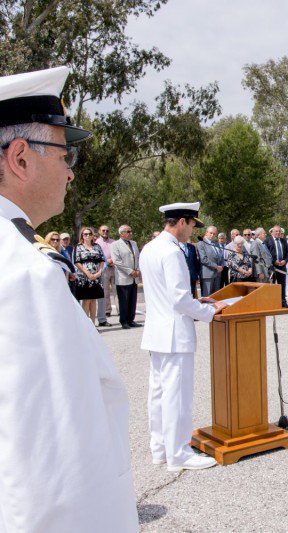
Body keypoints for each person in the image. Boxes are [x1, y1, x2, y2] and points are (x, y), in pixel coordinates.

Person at [0, 66, 137, 529]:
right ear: (20, 158)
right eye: (66, 156)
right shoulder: (23, 273)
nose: (70, 174)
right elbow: (53, 470)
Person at [139, 202, 227, 472]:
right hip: (175, 333)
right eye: (191, 225)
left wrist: (195, 300)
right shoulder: (172, 252)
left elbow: (166, 294)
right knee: (177, 395)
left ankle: (161, 449)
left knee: (159, 394)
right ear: (181, 222)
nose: (192, 232)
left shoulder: (150, 248)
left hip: (157, 332)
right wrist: (209, 310)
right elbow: (178, 300)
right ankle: (179, 454)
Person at [74, 226, 106, 325]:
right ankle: (85, 324)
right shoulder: (78, 247)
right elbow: (77, 262)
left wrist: (99, 272)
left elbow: (101, 260)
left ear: (93, 236)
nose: (88, 236)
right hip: (84, 277)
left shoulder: (97, 246)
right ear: (82, 236)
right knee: (86, 300)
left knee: (93, 300)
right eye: (85, 234)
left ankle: (92, 323)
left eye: (90, 234)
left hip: (96, 277)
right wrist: (87, 273)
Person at [111, 225, 141, 328]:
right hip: (123, 277)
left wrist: (137, 270)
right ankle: (124, 321)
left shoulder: (134, 243)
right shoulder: (115, 245)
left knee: (132, 300)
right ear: (121, 233)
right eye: (128, 231)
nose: (130, 233)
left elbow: (137, 257)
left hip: (134, 276)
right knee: (124, 300)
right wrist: (130, 271)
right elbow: (117, 261)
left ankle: (131, 320)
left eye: (131, 231)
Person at [265, 224, 288, 308]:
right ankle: (272, 303)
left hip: (282, 266)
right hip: (272, 267)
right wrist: (273, 261)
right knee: (272, 286)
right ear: (272, 232)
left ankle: (283, 302)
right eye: (276, 231)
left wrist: (285, 261)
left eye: (279, 231)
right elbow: (266, 254)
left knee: (282, 285)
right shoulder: (267, 241)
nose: (278, 233)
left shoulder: (283, 241)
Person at [95, 224, 116, 324]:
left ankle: (120, 310)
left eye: (107, 230)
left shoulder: (113, 242)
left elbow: (117, 253)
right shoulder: (96, 243)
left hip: (115, 267)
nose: (105, 232)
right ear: (99, 231)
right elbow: (97, 256)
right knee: (105, 291)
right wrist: (107, 261)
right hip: (104, 269)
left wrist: (113, 260)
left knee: (117, 290)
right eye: (103, 230)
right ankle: (107, 311)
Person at [197, 225, 225, 296]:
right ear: (206, 232)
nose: (212, 235)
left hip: (218, 274)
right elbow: (203, 259)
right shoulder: (201, 244)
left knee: (216, 296)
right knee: (207, 297)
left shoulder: (216, 244)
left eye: (214, 234)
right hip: (208, 275)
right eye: (211, 233)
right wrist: (216, 267)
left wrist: (221, 266)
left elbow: (221, 257)